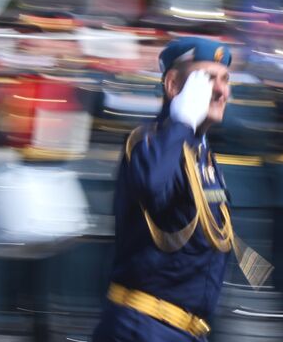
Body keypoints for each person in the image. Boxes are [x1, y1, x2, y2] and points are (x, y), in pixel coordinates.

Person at [93, 37, 245, 342]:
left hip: (185, 331)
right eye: (206, 80)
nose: (220, 91)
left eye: (226, 80)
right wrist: (181, 122)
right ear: (174, 85)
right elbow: (152, 187)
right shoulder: (149, 142)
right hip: (145, 328)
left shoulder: (203, 154)